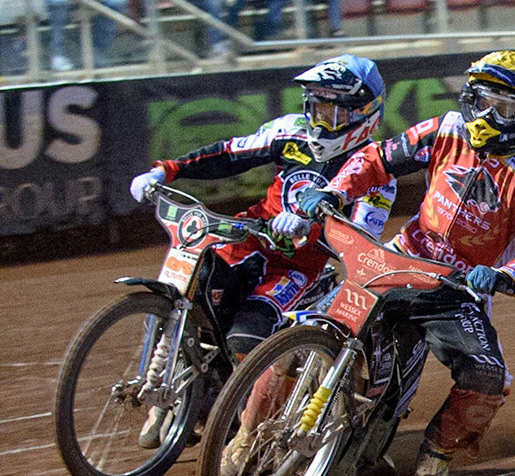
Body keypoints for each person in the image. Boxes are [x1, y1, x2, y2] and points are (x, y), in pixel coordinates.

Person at [294, 51, 515, 476]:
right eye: (482, 100)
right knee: (311, 319)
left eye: (504, 108)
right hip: (399, 259)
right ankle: (245, 433)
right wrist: (334, 189)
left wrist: (504, 275)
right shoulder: (444, 129)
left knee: (487, 373)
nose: (488, 115)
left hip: (455, 287)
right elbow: (378, 159)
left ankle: (437, 451)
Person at [125, 56, 393, 448]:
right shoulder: (292, 132)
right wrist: (165, 171)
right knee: (190, 284)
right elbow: (231, 154)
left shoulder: (378, 170)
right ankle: (167, 392)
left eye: (333, 111)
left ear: (364, 114)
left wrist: (312, 228)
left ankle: (251, 427)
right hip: (248, 240)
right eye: (316, 107)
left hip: (299, 267)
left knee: (244, 341)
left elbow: (362, 242)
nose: (321, 119)